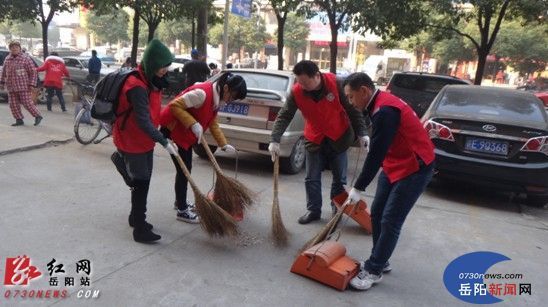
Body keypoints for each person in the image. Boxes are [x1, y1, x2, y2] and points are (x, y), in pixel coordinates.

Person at [342, 72, 435, 291]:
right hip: (395, 162)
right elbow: (381, 145)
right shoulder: (377, 104)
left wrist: (358, 187)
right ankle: (380, 259)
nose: (350, 102)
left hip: (415, 166)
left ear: (364, 91)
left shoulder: (385, 111)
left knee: (390, 220)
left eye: (351, 97)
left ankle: (374, 270)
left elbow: (375, 155)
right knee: (377, 213)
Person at [268, 60, 368, 224]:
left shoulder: (337, 84)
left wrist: (362, 133)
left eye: (306, 82)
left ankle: (337, 209)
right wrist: (275, 139)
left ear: (317, 75)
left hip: (339, 137)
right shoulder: (297, 92)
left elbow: (353, 110)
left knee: (339, 179)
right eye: (299, 82)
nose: (302, 86)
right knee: (311, 178)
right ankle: (313, 210)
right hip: (314, 138)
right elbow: (285, 115)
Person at [111, 39, 177, 243]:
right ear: (152, 65)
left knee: (143, 179)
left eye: (167, 67)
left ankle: (135, 217)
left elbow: (155, 112)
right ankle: (140, 229)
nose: (165, 71)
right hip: (133, 139)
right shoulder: (136, 86)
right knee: (141, 182)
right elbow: (143, 122)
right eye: (162, 68)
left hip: (145, 140)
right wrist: (163, 140)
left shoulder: (150, 80)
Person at [159, 72, 246, 222]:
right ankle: (181, 210)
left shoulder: (216, 99)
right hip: (172, 130)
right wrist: (193, 123)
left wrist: (223, 144)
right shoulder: (202, 94)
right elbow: (174, 105)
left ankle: (179, 202)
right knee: (184, 170)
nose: (231, 101)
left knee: (185, 169)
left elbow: (212, 122)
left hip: (184, 133)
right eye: (232, 96)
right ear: (226, 88)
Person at [0, 41, 42, 126]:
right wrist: (2, 82)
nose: (14, 49)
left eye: (16, 47)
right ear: (10, 49)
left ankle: (38, 115)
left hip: (23, 86)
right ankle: (19, 119)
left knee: (27, 103)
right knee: (13, 105)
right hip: (11, 87)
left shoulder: (25, 59)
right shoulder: (7, 59)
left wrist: (32, 84)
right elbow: (4, 71)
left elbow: (33, 72)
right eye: (12, 48)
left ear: (19, 48)